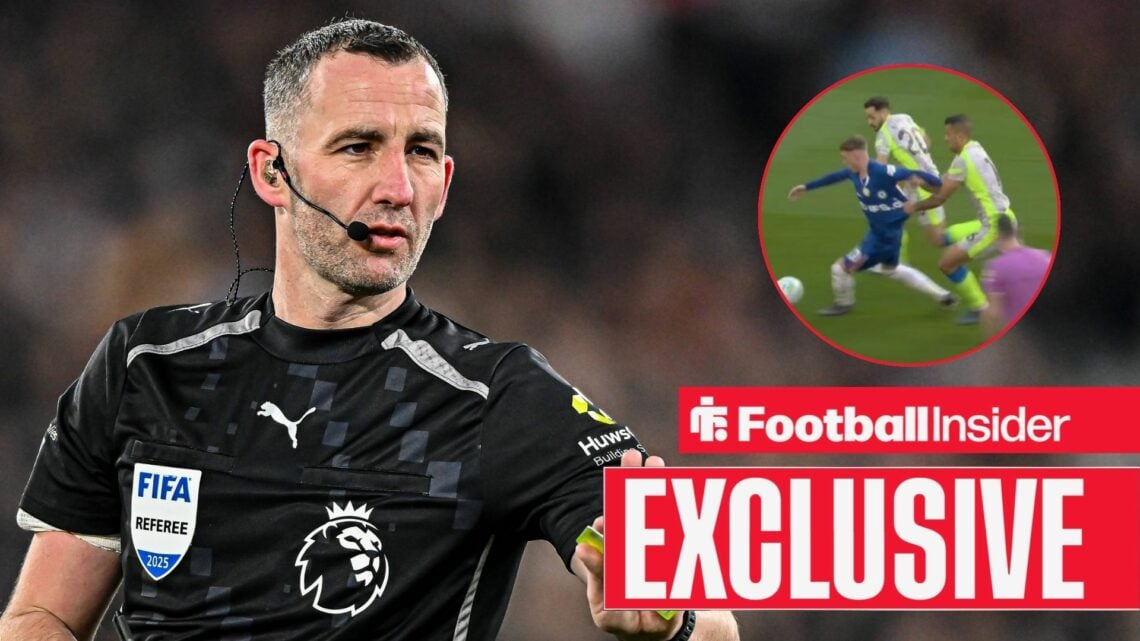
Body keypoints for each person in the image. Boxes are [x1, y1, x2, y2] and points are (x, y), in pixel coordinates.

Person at [0, 19, 738, 641]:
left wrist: (669, 622)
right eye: (358, 147)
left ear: (446, 183)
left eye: (421, 151)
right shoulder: (146, 365)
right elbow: (42, 614)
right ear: (272, 173)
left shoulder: (498, 396)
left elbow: (712, 619)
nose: (397, 188)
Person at [788, 135, 954, 316]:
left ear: (856, 155)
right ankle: (943, 295)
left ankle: (843, 304)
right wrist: (806, 187)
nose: (844, 162)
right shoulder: (853, 173)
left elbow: (922, 176)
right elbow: (834, 177)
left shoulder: (883, 172)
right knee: (891, 270)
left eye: (845, 157)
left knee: (840, 269)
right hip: (889, 235)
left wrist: (926, 182)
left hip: (879, 241)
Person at [904, 114, 1017, 325]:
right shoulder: (975, 149)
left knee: (947, 264)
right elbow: (941, 184)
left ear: (959, 136)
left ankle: (980, 307)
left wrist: (914, 206)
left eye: (948, 134)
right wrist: (920, 181)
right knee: (944, 238)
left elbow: (939, 198)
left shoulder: (963, 160)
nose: (945, 139)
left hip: (993, 227)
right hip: (1006, 218)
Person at [863, 96, 948, 249]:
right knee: (891, 222)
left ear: (883, 112)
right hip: (921, 179)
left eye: (872, 117)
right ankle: (895, 260)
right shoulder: (905, 117)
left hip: (923, 186)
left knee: (939, 239)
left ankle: (985, 232)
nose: (869, 122)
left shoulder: (883, 135)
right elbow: (927, 141)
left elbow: (881, 168)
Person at [980, 213, 1051, 336]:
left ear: (996, 236)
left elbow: (994, 314)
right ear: (1017, 232)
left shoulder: (995, 267)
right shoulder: (1045, 256)